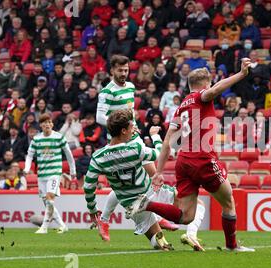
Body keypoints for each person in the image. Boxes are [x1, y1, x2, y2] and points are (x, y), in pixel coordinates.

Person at [95, 55, 205, 248]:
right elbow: (99, 117)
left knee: (141, 180)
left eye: (126, 70)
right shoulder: (106, 92)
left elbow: (129, 112)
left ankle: (117, 217)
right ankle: (106, 219)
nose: (123, 73)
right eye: (120, 70)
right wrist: (122, 124)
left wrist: (132, 124)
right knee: (147, 176)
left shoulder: (130, 87)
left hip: (133, 136)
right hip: (118, 140)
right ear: (112, 70)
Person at [149, 60, 255, 252]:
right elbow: (214, 91)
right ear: (205, 84)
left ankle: (148, 205)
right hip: (203, 159)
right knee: (228, 201)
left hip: (183, 161)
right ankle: (232, 246)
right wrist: (241, 74)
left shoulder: (181, 107)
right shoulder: (201, 96)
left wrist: (159, 172)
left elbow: (167, 143)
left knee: (186, 216)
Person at [83, 109, 175, 251]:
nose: (134, 131)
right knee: (196, 206)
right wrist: (155, 136)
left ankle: (157, 219)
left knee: (159, 242)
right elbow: (160, 153)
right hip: (151, 194)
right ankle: (191, 233)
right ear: (124, 131)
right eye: (132, 127)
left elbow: (88, 187)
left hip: (131, 205)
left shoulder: (98, 157)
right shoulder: (135, 148)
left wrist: (92, 209)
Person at [23, 113, 76, 234]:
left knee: (50, 198)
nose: (46, 124)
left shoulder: (59, 137)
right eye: (44, 122)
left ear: (52, 124)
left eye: (48, 122)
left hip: (54, 173)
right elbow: (30, 155)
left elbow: (68, 154)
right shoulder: (36, 139)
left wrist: (73, 170)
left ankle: (44, 227)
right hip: (42, 175)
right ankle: (62, 225)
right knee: (47, 202)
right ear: (41, 125)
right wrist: (26, 168)